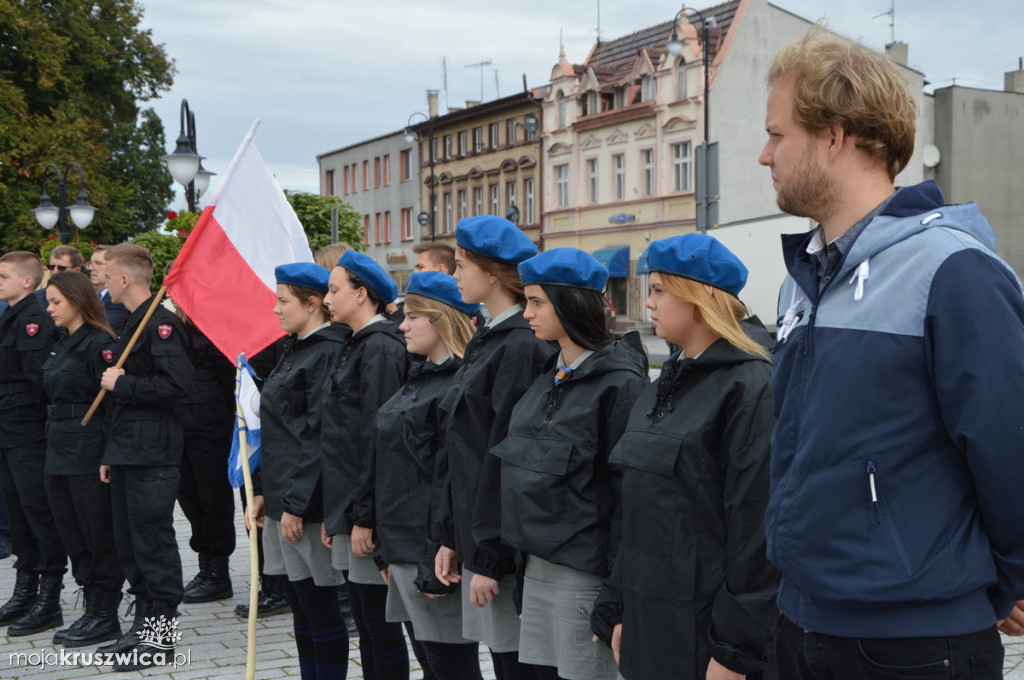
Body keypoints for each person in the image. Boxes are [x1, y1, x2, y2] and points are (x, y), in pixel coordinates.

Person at [759, 29, 1024, 679]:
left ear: (835, 135)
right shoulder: (801, 281)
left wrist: (1007, 582)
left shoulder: (954, 272)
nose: (764, 156)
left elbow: (1009, 444)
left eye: (777, 133)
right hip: (802, 623)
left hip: (915, 646)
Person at [589, 234, 778, 680]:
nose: (648, 303)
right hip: (648, 624)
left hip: (704, 634)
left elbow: (757, 532)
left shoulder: (750, 387)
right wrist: (619, 607)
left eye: (658, 290)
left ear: (703, 294)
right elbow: (634, 509)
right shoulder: (664, 385)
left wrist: (736, 651)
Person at [491, 248, 647, 680]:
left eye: (538, 302)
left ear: (571, 303)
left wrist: (615, 594)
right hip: (537, 568)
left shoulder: (620, 384)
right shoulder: (548, 377)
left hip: (584, 576)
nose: (527, 314)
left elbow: (628, 498)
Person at [431, 215, 555, 680]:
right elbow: (459, 449)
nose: (456, 274)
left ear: (492, 273)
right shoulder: (488, 339)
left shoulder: (519, 345)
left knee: (515, 662)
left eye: (462, 265)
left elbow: (505, 456)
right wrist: (450, 535)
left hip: (501, 549)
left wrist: (490, 556)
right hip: (477, 535)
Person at [374, 271, 484, 680]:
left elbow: (452, 480)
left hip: (430, 552)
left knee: (450, 666)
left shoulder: (456, 383)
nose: (402, 325)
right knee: (430, 665)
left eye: (413, 316)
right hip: (401, 545)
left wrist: (436, 548)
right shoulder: (419, 375)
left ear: (441, 319)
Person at [249, 262, 350, 680]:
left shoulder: (325, 351)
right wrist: (262, 491)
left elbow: (317, 437)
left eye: (283, 300)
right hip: (282, 498)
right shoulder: (297, 347)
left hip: (305, 506)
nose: (275, 309)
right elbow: (279, 433)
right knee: (302, 609)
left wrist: (294, 503)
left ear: (313, 304)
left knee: (321, 610)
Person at [97, 243, 194, 670]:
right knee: (130, 545)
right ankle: (142, 626)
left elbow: (176, 386)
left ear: (124, 279)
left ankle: (160, 638)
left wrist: (123, 384)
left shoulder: (160, 325)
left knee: (153, 545)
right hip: (127, 451)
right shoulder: (134, 323)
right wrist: (109, 453)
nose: (101, 279)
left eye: (107, 273)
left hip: (153, 452)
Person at [321, 249, 410, 680]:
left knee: (379, 625)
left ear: (362, 294)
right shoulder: (356, 344)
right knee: (366, 623)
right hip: (350, 505)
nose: (326, 299)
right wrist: (335, 511)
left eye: (334, 290)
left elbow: (378, 438)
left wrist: (364, 515)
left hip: (367, 511)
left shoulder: (379, 349)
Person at [41, 271, 124, 647]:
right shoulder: (63, 342)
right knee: (71, 529)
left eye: (57, 301)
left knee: (96, 532)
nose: (50, 308)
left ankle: (105, 613)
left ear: (76, 300)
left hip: (88, 448)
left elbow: (111, 407)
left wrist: (108, 453)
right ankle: (91, 603)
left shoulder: (99, 343)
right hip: (59, 446)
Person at [0, 251, 67, 637]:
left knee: (37, 510)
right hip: (7, 429)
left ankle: (48, 597)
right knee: (17, 510)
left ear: (28, 281)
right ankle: (25, 590)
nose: (0, 280)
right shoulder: (9, 316)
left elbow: (39, 383)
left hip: (26, 429)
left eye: (5, 275)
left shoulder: (33, 322)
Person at [175, 307, 237, 604]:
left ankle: (218, 573)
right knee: (190, 500)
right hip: (179, 426)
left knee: (213, 501)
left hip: (210, 426)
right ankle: (205, 565)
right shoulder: (173, 328)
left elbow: (229, 380)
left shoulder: (214, 327)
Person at [88, 245, 129, 335]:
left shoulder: (119, 300)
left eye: (98, 263)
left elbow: (106, 328)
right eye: (91, 263)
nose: (90, 268)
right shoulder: (90, 296)